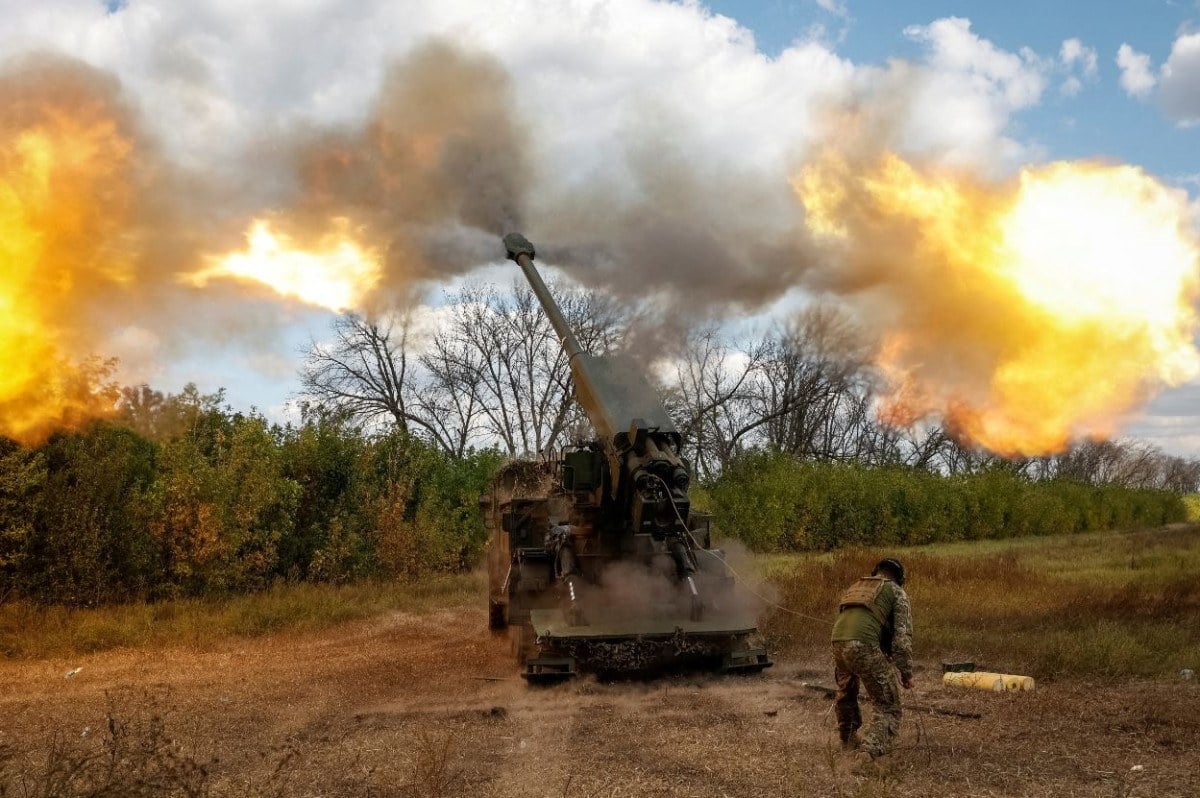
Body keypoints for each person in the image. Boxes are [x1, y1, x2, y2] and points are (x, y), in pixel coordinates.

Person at [830, 558, 913, 762]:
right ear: (899, 578)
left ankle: (847, 739)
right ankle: (868, 754)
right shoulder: (896, 592)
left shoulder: (856, 587)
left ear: (876, 571)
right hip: (863, 645)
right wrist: (906, 673)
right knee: (888, 705)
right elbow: (901, 640)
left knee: (846, 694)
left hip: (837, 643)